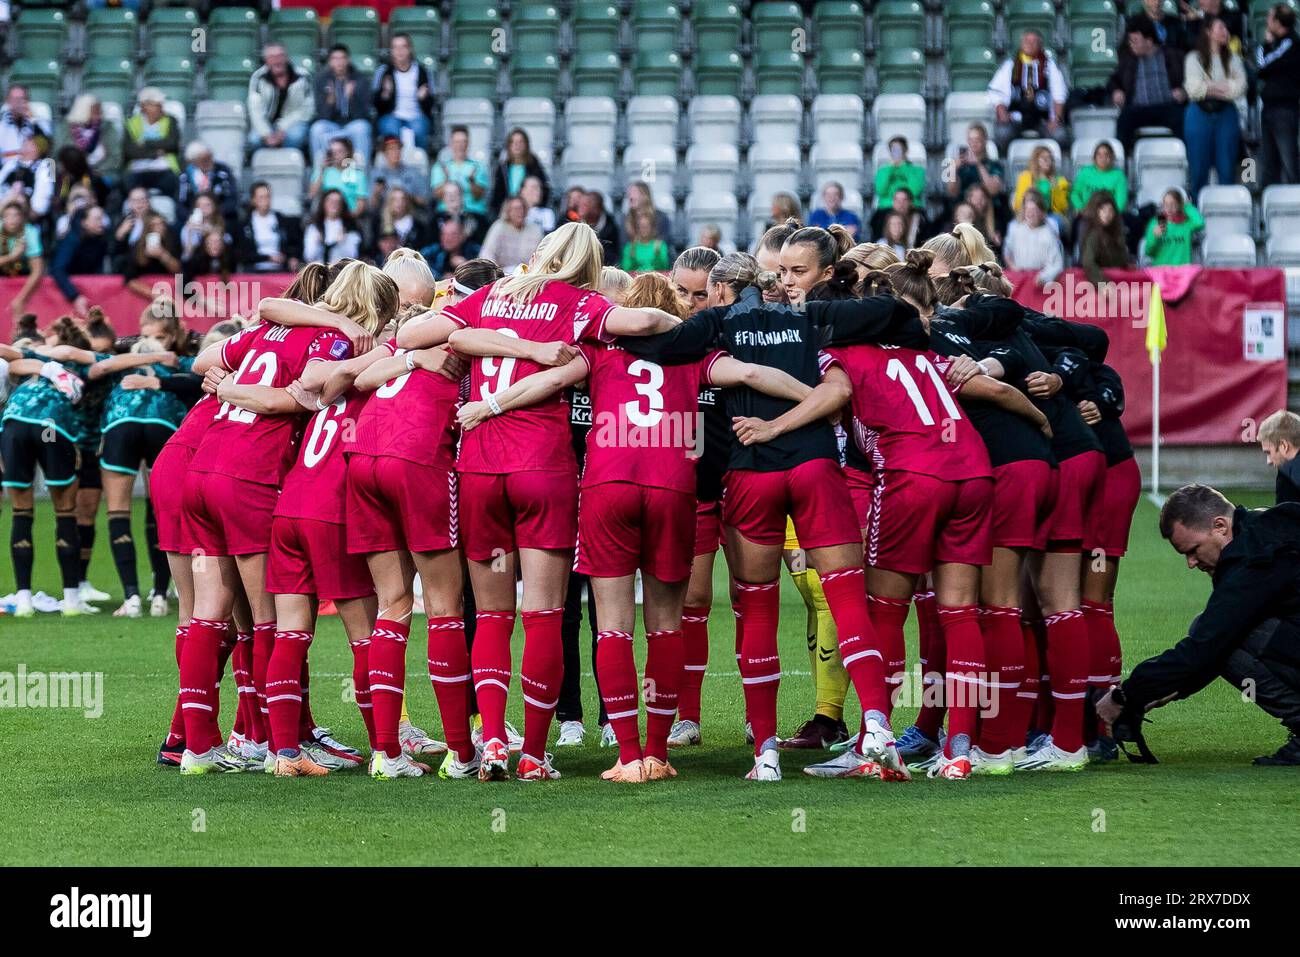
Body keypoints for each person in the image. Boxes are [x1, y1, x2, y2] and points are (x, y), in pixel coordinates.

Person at [616, 250, 929, 782]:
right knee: (848, 599)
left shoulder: (717, 326)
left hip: (750, 473)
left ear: (722, 293)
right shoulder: (809, 319)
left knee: (756, 611)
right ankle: (876, 724)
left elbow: (657, 343)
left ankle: (765, 753)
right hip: (815, 468)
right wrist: (920, 340)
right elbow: (896, 313)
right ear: (775, 289)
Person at [398, 220, 685, 781]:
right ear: (591, 267)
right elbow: (647, 320)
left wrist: (495, 340)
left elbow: (414, 338)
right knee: (545, 617)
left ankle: (492, 743)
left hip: (480, 465)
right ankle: (533, 752)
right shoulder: (579, 303)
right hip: (542, 469)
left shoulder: (490, 295)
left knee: (495, 617)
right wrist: (692, 325)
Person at [175, 261, 381, 774]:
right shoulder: (325, 341)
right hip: (250, 478)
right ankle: (274, 745)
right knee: (270, 620)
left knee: (208, 612)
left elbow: (209, 354)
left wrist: (222, 385)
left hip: (203, 471)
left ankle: (197, 749)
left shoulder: (266, 329)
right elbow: (296, 393)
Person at [1096, 486, 1300, 766]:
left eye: (1193, 550)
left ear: (1220, 526)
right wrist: (1170, 688)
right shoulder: (1266, 526)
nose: (1191, 563)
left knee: (1229, 634)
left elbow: (1207, 647)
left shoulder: (1254, 559)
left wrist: (1125, 695)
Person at [0, 316, 93, 616]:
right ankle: (71, 601)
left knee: (21, 512)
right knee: (65, 510)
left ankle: (24, 599)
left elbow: (13, 362)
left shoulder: (30, 361)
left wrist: (41, 363)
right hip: (53, 426)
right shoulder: (76, 361)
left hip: (15, 425)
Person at [1183, 16, 1246, 196]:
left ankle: (1226, 213)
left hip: (1226, 114)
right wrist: (1224, 86)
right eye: (1220, 27)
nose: (1225, 31)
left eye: (1226, 28)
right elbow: (1194, 90)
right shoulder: (1193, 58)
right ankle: (1197, 215)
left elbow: (1239, 89)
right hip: (1198, 115)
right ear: (1208, 32)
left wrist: (1208, 87)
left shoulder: (1233, 59)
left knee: (1227, 169)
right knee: (1198, 169)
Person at [1109, 14, 1188, 155]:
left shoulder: (1173, 56)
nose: (1131, 45)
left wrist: (1183, 92)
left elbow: (1189, 81)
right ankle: (1123, 166)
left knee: (1184, 118)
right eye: (1130, 41)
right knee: (1124, 120)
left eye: (1135, 41)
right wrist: (1117, 91)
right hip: (1138, 109)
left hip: (1167, 107)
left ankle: (1186, 163)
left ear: (1149, 41)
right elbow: (1114, 80)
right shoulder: (1128, 58)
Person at [988, 29, 1069, 155]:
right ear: (1021, 44)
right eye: (1026, 41)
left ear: (1040, 45)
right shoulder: (1010, 65)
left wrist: (1056, 119)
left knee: (1060, 135)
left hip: (1043, 119)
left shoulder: (1050, 66)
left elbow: (1060, 94)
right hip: (1015, 118)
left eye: (1034, 41)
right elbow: (995, 92)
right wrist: (1002, 112)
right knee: (1002, 133)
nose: (1029, 44)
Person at [1257, 4, 1300, 189]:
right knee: (1269, 163)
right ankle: (1268, 209)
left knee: (1289, 162)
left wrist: (1265, 44)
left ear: (1278, 22)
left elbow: (1263, 65)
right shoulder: (1280, 43)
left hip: (1284, 110)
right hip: (1270, 108)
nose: (1266, 22)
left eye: (1269, 18)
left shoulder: (1290, 43)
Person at [310, 44, 374, 167]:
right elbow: (321, 114)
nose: (339, 62)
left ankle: (362, 173)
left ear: (348, 60)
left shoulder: (360, 79)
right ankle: (318, 173)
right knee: (317, 129)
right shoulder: (321, 80)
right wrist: (330, 101)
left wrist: (351, 99)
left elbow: (364, 113)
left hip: (352, 124)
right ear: (330, 61)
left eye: (342, 58)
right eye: (335, 58)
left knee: (362, 128)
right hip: (331, 124)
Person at [247, 43, 314, 153]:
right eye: (272, 57)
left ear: (286, 57)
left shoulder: (303, 76)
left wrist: (282, 128)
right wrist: (266, 134)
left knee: (295, 138)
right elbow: (255, 110)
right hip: (266, 124)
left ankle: (290, 165)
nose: (277, 60)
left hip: (293, 123)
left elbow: (307, 109)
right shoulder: (258, 78)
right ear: (266, 60)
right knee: (254, 140)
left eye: (280, 55)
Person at [373, 33, 434, 147]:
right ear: (391, 51)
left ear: (410, 49)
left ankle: (419, 162)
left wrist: (423, 98)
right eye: (395, 47)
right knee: (391, 132)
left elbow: (431, 106)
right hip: (392, 116)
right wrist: (386, 94)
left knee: (419, 131)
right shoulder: (384, 71)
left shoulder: (422, 71)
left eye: (403, 47)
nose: (399, 51)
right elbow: (376, 105)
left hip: (417, 116)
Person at [50, 205, 110, 314]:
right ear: (84, 222)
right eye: (97, 219)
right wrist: (75, 296)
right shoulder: (71, 240)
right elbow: (57, 269)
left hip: (90, 295)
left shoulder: (101, 240)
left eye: (102, 218)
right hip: (66, 296)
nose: (102, 223)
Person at [122, 88, 180, 200]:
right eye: (157, 105)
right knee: (127, 183)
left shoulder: (170, 120)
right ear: (144, 106)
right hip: (137, 169)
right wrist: (155, 153)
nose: (161, 108)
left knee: (172, 183)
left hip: (164, 168)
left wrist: (144, 143)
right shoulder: (131, 123)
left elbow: (172, 144)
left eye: (161, 105)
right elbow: (129, 151)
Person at [235, 180, 303, 273]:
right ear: (253, 200)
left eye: (268, 197)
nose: (265, 201)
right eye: (261, 197)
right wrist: (268, 258)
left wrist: (292, 258)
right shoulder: (244, 224)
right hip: (254, 271)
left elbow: (293, 245)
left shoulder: (282, 220)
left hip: (280, 269)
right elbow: (243, 254)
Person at [1003, 190, 1064, 285]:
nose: (1030, 214)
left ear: (1042, 212)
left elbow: (1057, 264)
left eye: (1034, 210)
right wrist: (1015, 269)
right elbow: (1007, 253)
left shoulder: (1048, 234)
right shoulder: (1016, 230)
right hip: (1019, 280)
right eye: (1028, 210)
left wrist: (1044, 277)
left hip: (1039, 281)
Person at [431, 125, 490, 218]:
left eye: (463, 141)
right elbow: (438, 195)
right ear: (450, 144)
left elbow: (479, 196)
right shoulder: (440, 167)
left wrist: (472, 181)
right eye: (456, 142)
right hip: (446, 212)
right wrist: (446, 180)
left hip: (473, 212)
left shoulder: (478, 167)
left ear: (468, 143)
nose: (460, 145)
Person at [490, 127, 550, 217]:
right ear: (509, 146)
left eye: (520, 142)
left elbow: (544, 188)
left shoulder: (534, 165)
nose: (517, 145)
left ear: (526, 145)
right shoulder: (502, 168)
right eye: (513, 142)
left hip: (530, 212)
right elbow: (497, 194)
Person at [122, 211, 182, 300]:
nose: (159, 228)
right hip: (146, 296)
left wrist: (162, 255)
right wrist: (154, 295)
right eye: (154, 225)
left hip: (170, 292)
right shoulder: (138, 246)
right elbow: (129, 279)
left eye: (161, 224)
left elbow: (179, 270)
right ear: (147, 228)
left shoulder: (171, 242)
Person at [946, 123, 1006, 213]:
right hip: (962, 209)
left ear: (985, 140)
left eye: (977, 140)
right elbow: (951, 193)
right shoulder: (957, 164)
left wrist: (979, 165)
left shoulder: (995, 164)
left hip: (989, 210)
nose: (974, 143)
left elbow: (993, 190)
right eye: (970, 140)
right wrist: (953, 169)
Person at [0, 200, 45, 317]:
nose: (12, 220)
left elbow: (38, 270)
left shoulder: (30, 232)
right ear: (2, 218)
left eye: (16, 216)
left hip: (24, 272)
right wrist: (12, 256)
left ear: (22, 218)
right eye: (7, 216)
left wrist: (21, 299)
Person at [1012, 145, 1070, 233]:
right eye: (1043, 158)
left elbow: (1063, 207)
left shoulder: (1060, 181)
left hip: (1050, 215)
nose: (1048, 161)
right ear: (1035, 160)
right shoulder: (1025, 177)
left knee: (1053, 225)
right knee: (1014, 226)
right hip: (1028, 214)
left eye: (1050, 158)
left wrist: (1056, 189)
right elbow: (1018, 204)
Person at [177, 142, 239, 223]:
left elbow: (232, 198)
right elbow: (180, 204)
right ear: (193, 161)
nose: (209, 161)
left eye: (210, 157)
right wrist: (193, 216)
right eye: (203, 159)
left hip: (220, 217)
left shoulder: (223, 171)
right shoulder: (185, 176)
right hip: (194, 218)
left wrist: (214, 213)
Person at [65, 94, 121, 182]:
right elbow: (57, 157)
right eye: (95, 112)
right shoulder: (65, 129)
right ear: (83, 112)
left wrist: (96, 170)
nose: (100, 116)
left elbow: (115, 158)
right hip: (72, 175)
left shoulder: (108, 128)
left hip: (102, 174)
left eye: (100, 112)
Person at [1079, 192, 1131, 284]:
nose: (1107, 214)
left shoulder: (1116, 231)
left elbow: (1119, 258)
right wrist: (1102, 283)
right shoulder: (1093, 233)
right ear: (1095, 211)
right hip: (1098, 285)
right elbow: (1088, 263)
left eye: (1110, 210)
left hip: (1116, 281)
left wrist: (1127, 265)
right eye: (1102, 210)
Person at [310, 136, 368, 216]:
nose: (335, 155)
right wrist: (322, 172)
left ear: (347, 152)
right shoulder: (323, 171)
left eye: (339, 151)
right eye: (332, 152)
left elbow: (361, 204)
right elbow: (312, 194)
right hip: (325, 219)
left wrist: (346, 221)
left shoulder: (358, 175)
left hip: (349, 217)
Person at [480, 195, 543, 269]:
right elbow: (487, 253)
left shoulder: (535, 229)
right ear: (508, 211)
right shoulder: (499, 227)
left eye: (522, 208)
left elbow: (542, 254)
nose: (520, 212)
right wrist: (496, 271)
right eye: (516, 209)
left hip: (528, 274)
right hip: (502, 273)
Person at [1143, 188, 1203, 265]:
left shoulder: (1187, 223)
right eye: (1166, 204)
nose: (1169, 208)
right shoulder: (1155, 222)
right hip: (1161, 271)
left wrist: (1188, 206)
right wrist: (1154, 237)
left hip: (1182, 270)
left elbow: (1200, 223)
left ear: (1180, 205)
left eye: (1173, 204)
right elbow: (1149, 252)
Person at [303, 189, 363, 265]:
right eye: (330, 201)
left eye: (338, 202)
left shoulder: (350, 227)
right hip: (320, 271)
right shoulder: (314, 227)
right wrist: (318, 243)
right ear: (323, 203)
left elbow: (353, 256)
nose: (334, 204)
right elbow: (308, 256)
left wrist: (342, 243)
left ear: (342, 205)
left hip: (342, 272)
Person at [1070, 140, 1128, 216]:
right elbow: (1075, 193)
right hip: (1086, 213)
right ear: (1094, 157)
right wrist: (1080, 208)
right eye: (1099, 155)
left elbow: (1121, 203)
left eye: (1106, 155)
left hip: (1109, 216)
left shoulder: (1118, 175)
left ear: (1112, 157)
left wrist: (1110, 215)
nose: (1103, 158)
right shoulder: (1085, 172)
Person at [1259, 409, 1300, 503]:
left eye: (1269, 452)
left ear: (1284, 445)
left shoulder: (1288, 477)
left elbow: (1284, 517)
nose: (1268, 461)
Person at [873, 136, 925, 209]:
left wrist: (904, 166)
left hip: (911, 207)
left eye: (900, 149)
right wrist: (890, 169)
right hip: (887, 207)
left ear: (906, 151)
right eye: (893, 150)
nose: (896, 153)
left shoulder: (918, 171)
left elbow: (914, 192)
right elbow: (881, 191)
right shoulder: (882, 171)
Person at [376, 186, 430, 253]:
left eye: (402, 199)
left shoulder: (417, 225)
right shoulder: (381, 224)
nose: (399, 203)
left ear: (407, 202)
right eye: (395, 199)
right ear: (389, 202)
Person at [0, 85, 47, 162]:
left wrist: (32, 120)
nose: (19, 103)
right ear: (8, 101)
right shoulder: (1, 127)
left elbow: (45, 148)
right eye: (15, 99)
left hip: (32, 169)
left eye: (22, 99)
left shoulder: (38, 123)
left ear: (27, 101)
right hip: (7, 169)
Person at [623, 179, 673, 244]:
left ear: (645, 195)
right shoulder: (626, 220)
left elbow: (664, 246)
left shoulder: (661, 218)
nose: (630, 195)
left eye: (634, 192)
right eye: (629, 192)